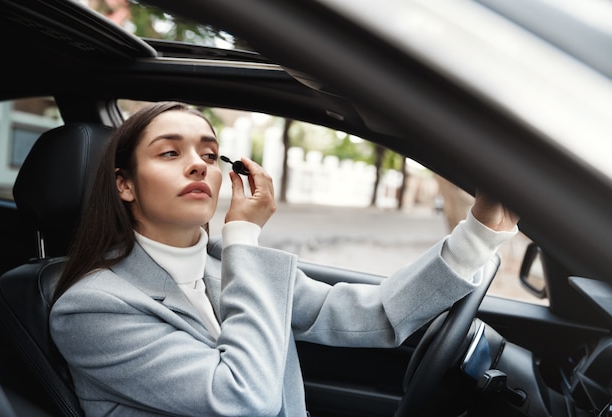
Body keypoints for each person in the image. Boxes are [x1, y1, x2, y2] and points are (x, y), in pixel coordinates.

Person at [49, 101, 519, 417]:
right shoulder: (90, 307)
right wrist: (243, 237)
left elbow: (372, 316)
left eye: (210, 154)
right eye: (170, 152)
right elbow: (242, 398)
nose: (198, 165)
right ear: (124, 184)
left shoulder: (221, 266)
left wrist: (479, 233)